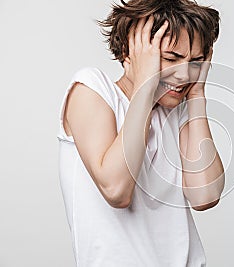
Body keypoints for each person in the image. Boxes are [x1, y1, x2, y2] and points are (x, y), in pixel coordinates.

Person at [56, 0, 225, 266]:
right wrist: (146, 85)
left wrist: (197, 94)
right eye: (170, 58)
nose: (183, 75)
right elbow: (117, 190)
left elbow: (205, 196)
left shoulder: (175, 110)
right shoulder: (92, 90)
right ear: (128, 50)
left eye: (195, 61)